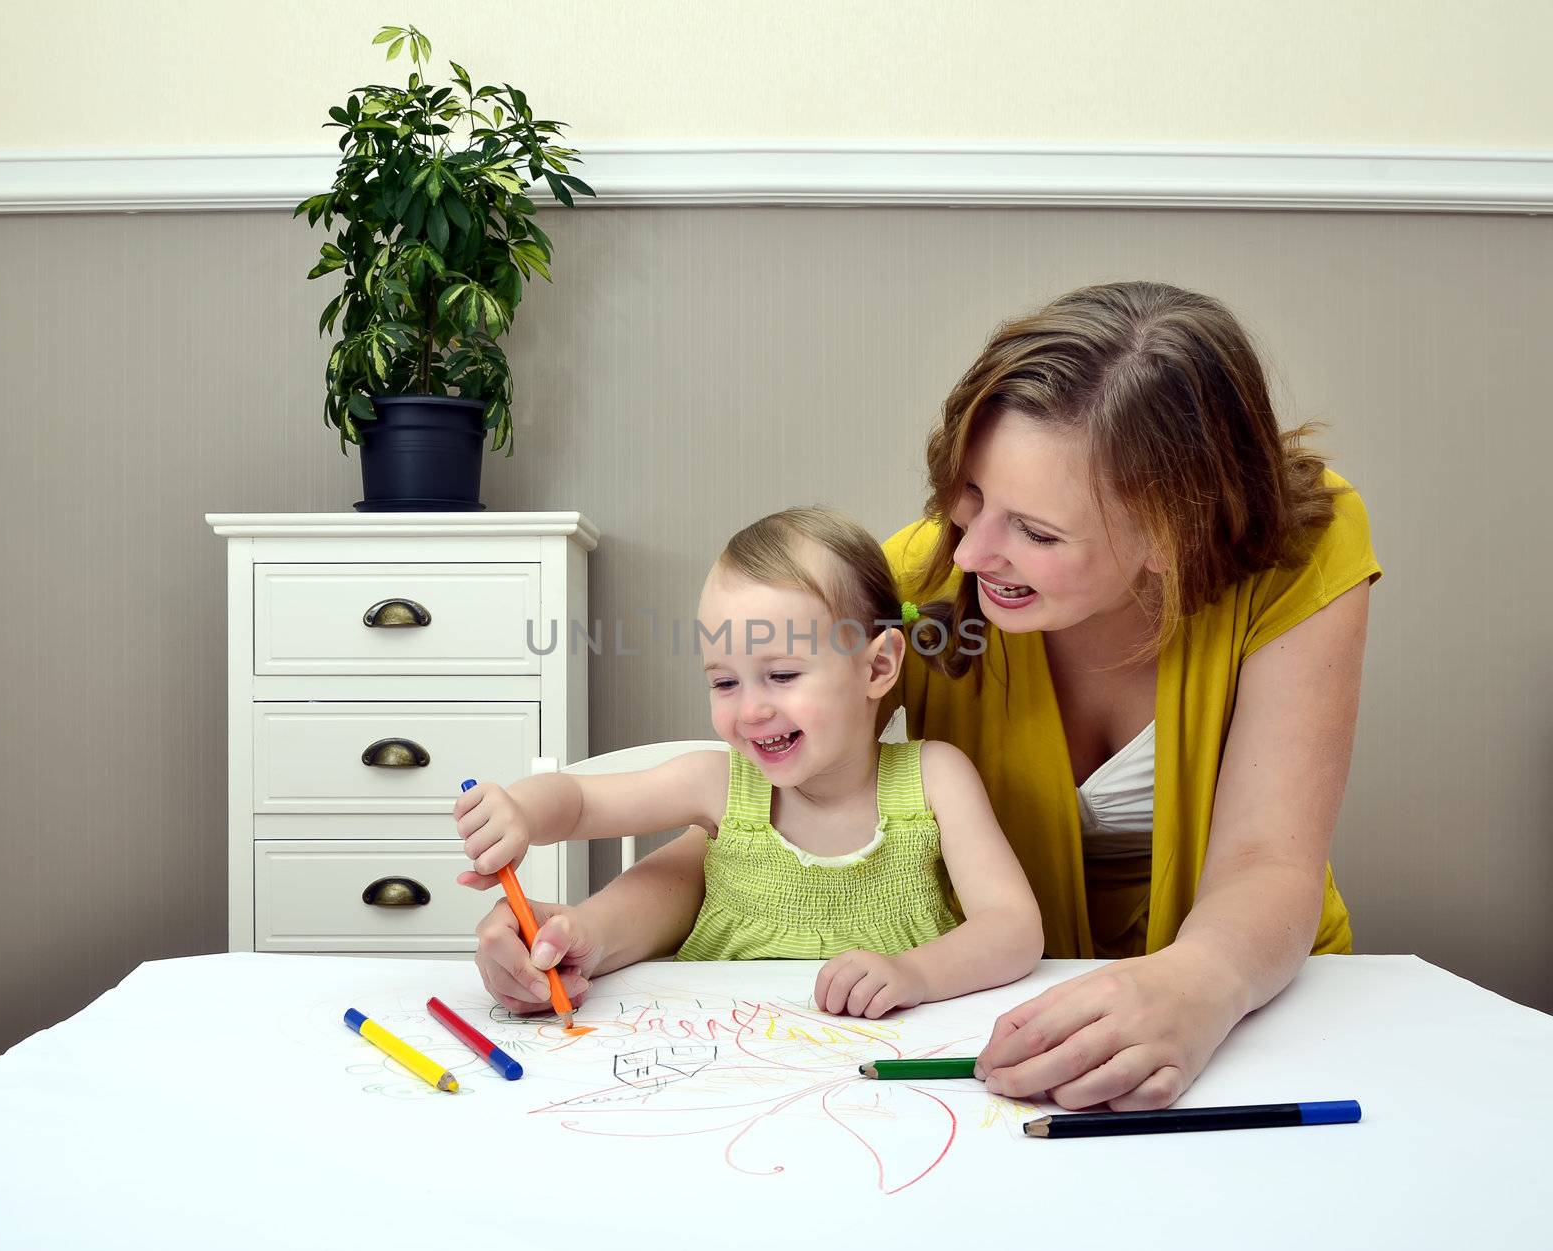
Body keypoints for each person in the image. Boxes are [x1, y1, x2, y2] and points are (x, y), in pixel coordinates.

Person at [884, 280, 1380, 1110]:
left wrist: (1201, 982)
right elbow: (756, 796)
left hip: (1261, 1009)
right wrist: (607, 924)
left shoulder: (1308, 548)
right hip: (986, 1019)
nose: (971, 554)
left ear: (1175, 533)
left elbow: (1269, 859)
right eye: (967, 498)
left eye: (1037, 533)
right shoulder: (919, 581)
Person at [456, 506, 1044, 1020]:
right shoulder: (718, 784)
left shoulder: (935, 779)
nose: (752, 710)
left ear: (876, 668)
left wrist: (916, 974)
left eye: (782, 675)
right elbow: (584, 802)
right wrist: (522, 811)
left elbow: (1013, 928)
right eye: (725, 682)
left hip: (884, 1060)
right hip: (724, 1056)